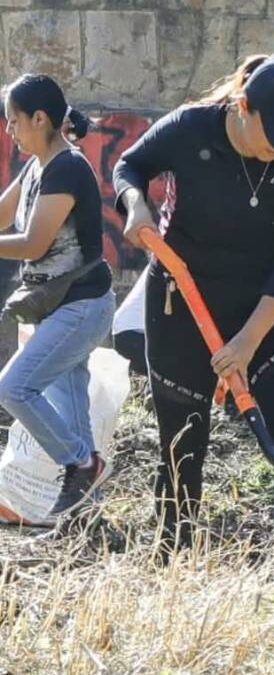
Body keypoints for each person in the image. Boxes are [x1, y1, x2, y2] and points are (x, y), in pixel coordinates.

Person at [113, 54, 274, 554]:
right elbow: (131, 165)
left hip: (265, 309)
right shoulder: (191, 129)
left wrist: (248, 342)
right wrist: (136, 204)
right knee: (182, 440)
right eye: (271, 133)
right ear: (243, 106)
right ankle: (175, 552)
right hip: (182, 300)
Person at [0, 74, 115, 516]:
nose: (10, 131)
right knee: (74, 418)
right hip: (60, 307)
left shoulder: (66, 167)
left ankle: (83, 463)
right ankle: (84, 513)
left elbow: (32, 243)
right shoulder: (40, 163)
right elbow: (5, 214)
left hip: (82, 306)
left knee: (13, 388)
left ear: (40, 118)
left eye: (14, 122)